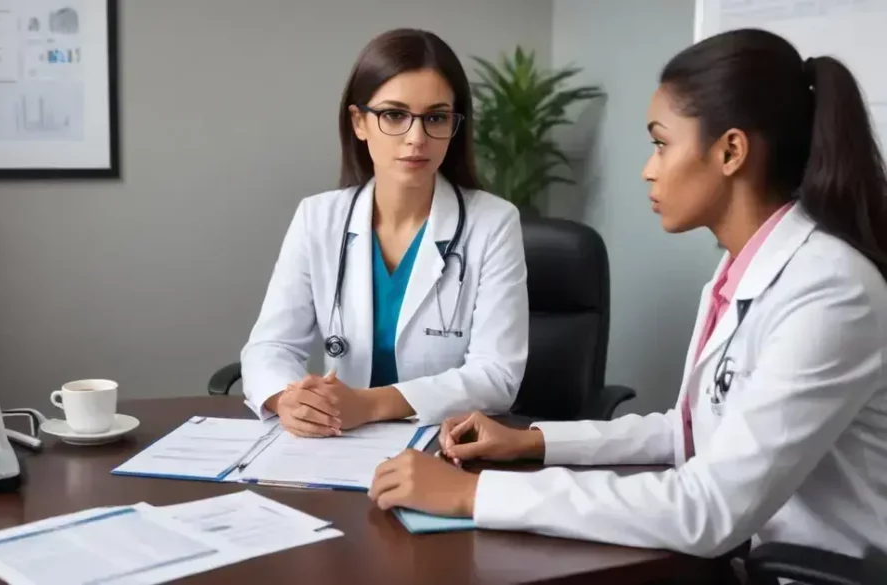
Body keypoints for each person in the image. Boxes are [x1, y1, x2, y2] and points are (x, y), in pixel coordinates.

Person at [369, 28, 887, 560]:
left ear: (731, 151)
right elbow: (687, 431)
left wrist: (474, 493)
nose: (648, 169)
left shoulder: (829, 291)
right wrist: (533, 441)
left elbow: (707, 509)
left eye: (661, 143)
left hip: (816, 571)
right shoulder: (744, 270)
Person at [239, 28, 529, 438]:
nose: (416, 138)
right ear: (359, 122)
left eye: (435, 117)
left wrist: (369, 404)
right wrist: (289, 399)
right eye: (394, 115)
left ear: (454, 125)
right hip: (336, 443)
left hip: (441, 445)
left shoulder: (493, 224)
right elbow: (271, 347)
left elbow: (497, 375)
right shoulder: (317, 218)